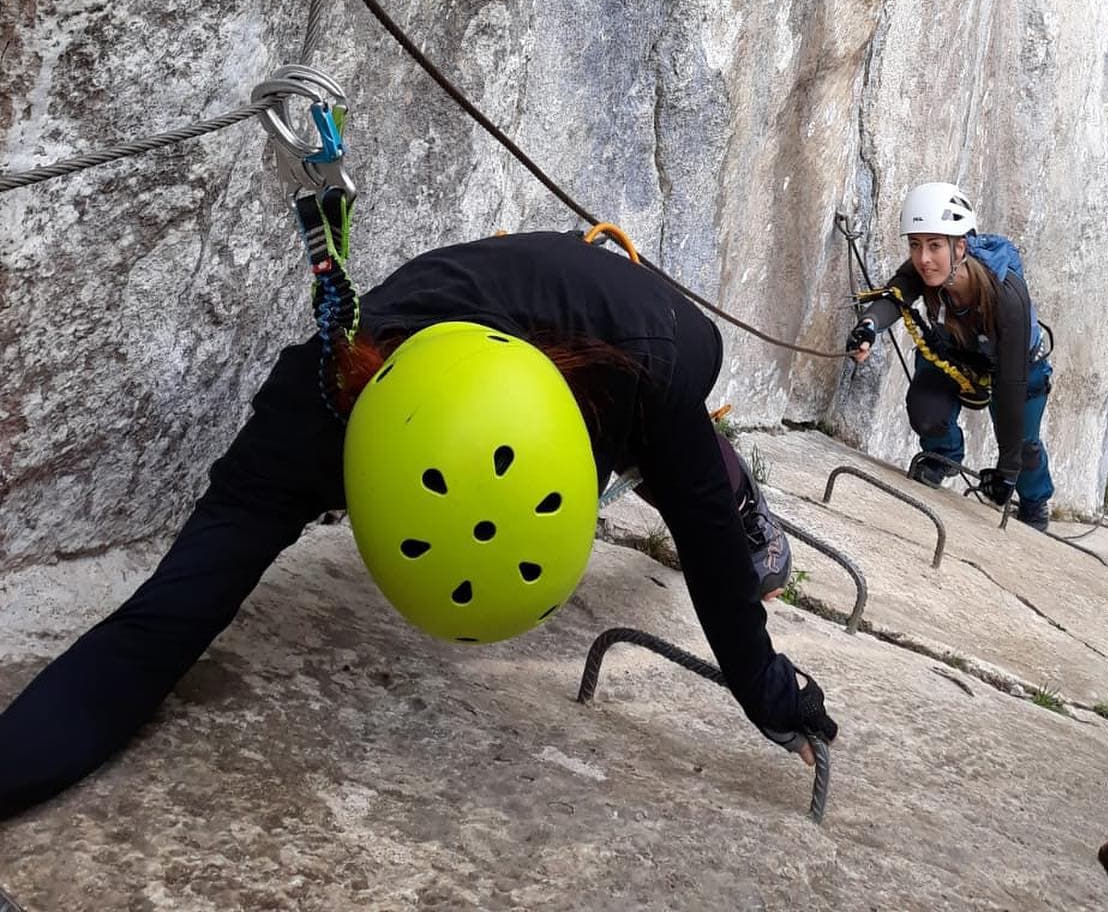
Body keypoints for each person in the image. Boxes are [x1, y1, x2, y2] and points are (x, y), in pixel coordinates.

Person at [0, 229, 834, 820]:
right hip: (416, 370)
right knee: (173, 612)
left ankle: (732, 484)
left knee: (700, 489)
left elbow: (713, 555)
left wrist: (766, 690)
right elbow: (157, 626)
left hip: (600, 361)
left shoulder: (660, 366)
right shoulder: (320, 410)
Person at [846, 181, 1054, 529]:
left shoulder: (1007, 297)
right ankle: (942, 456)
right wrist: (868, 325)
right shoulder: (925, 269)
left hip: (1018, 365)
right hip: (956, 355)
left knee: (1023, 445)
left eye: (934, 246)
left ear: (960, 247)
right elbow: (897, 297)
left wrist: (1006, 471)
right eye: (915, 245)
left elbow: (1011, 387)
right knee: (925, 409)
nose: (923, 259)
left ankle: (1035, 504)